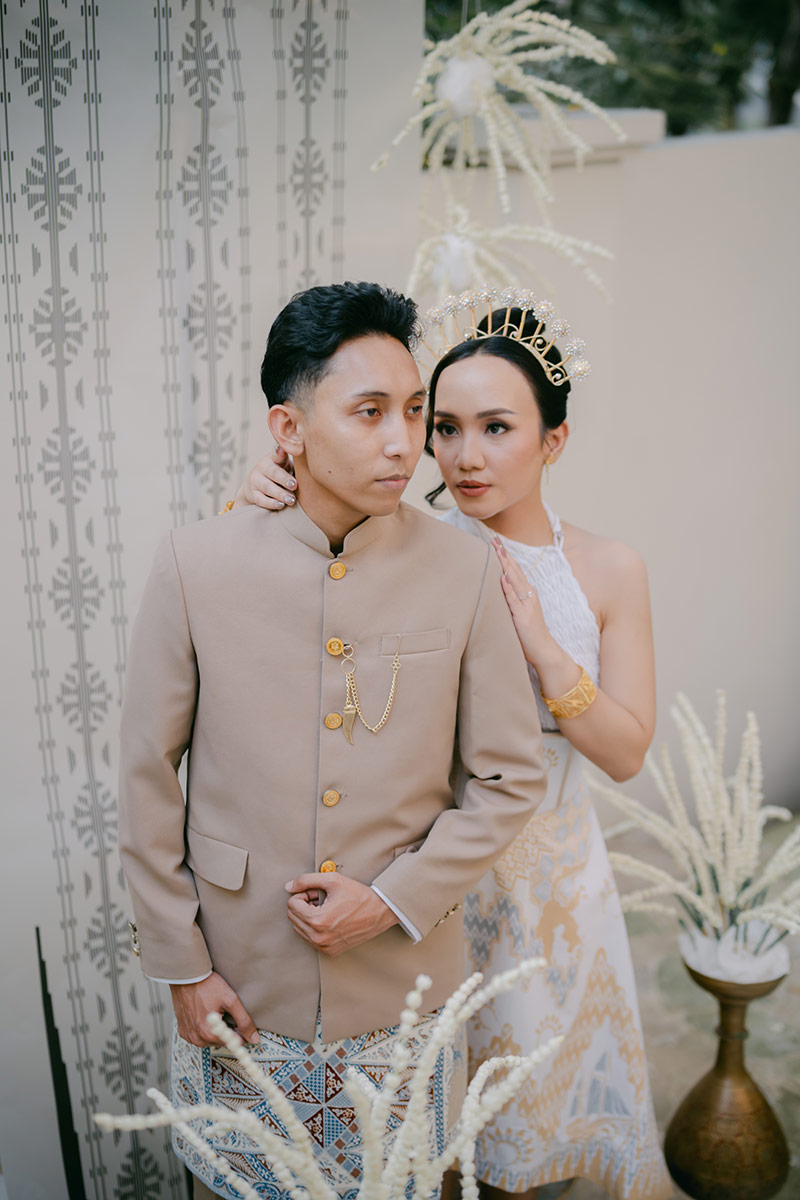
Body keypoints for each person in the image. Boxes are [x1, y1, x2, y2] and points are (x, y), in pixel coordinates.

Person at [237, 291, 673, 1200]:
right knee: (420, 1135)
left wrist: (544, 647)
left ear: (553, 440)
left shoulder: (609, 569)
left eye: (497, 428)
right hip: (424, 879)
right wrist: (270, 486)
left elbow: (626, 752)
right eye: (445, 427)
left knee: (526, 1132)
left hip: (552, 884)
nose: (465, 456)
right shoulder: (402, 547)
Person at [118, 282, 549, 1200]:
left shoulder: (463, 567)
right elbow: (147, 774)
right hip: (240, 979)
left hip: (403, 987)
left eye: (414, 411)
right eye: (368, 411)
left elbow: (511, 777)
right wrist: (183, 968)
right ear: (289, 429)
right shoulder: (195, 564)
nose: (404, 441)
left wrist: (392, 899)